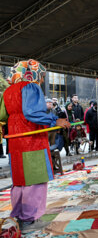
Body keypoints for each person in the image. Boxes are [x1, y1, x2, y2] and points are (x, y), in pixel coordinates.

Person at [0, 59, 70, 232]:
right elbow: (32, 113)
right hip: (31, 139)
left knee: (21, 180)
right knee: (35, 178)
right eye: (43, 76)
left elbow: (3, 115)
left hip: (15, 141)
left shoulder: (7, 91)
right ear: (32, 72)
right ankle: (29, 220)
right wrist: (56, 120)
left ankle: (19, 215)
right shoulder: (30, 87)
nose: (43, 80)